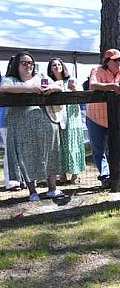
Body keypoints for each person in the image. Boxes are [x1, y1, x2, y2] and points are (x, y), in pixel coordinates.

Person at [0, 52, 64, 201]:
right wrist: (30, 88)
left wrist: (53, 89)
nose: (28, 65)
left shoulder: (41, 76)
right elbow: (4, 88)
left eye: (30, 63)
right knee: (26, 157)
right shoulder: (10, 79)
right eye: (24, 63)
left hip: (46, 123)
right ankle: (32, 191)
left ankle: (52, 188)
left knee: (50, 153)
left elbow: (57, 85)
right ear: (17, 64)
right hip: (20, 125)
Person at [86, 49, 120, 188]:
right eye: (115, 60)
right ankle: (105, 177)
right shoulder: (96, 69)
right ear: (107, 61)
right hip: (95, 117)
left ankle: (117, 176)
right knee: (98, 149)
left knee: (116, 148)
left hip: (116, 118)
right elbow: (93, 85)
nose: (119, 62)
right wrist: (112, 87)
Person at [47, 58, 86, 184]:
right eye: (54, 65)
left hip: (72, 116)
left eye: (59, 64)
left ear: (63, 67)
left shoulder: (71, 80)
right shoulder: (49, 82)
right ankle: (62, 174)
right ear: (50, 69)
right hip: (57, 116)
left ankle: (75, 174)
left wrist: (74, 90)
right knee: (60, 146)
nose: (57, 66)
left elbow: (81, 94)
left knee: (73, 143)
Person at [1, 62, 22, 192]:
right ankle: (12, 182)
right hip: (5, 121)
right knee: (10, 152)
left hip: (20, 121)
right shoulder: (6, 81)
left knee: (22, 151)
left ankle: (22, 180)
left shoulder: (21, 81)